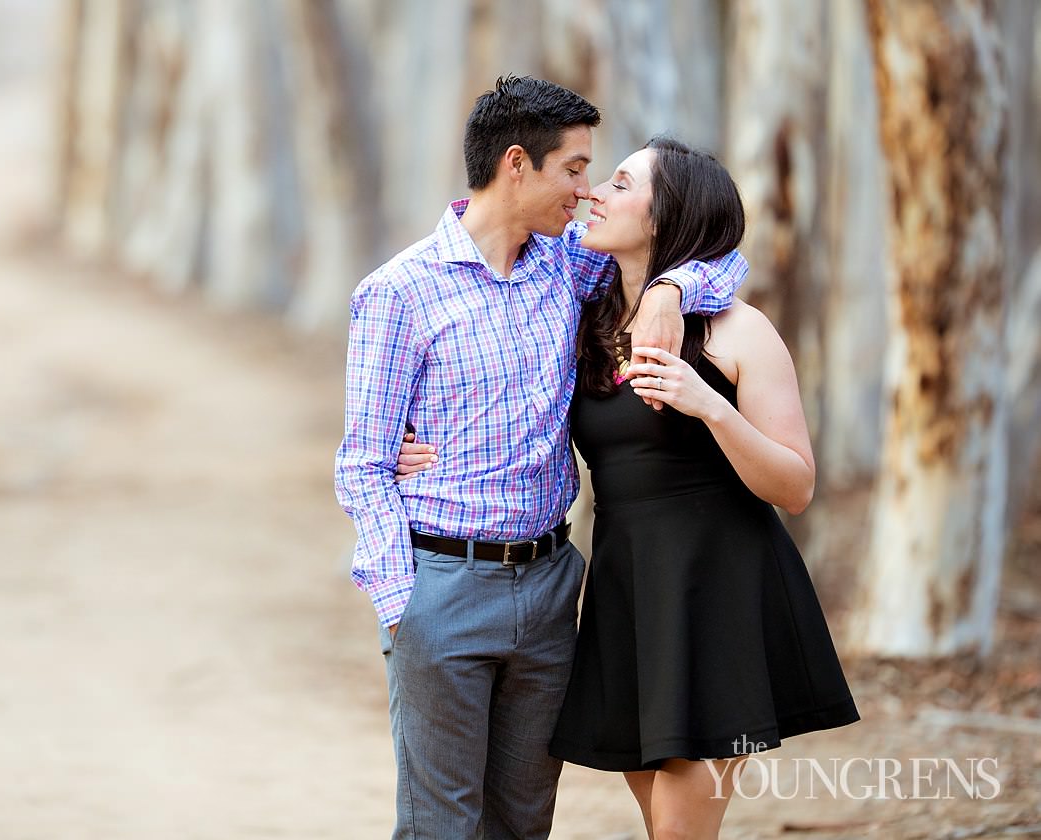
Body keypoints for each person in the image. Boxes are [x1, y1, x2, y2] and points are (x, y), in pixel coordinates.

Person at [334, 77, 748, 840]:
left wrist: (671, 291)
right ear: (517, 165)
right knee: (440, 827)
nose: (586, 192)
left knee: (524, 824)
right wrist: (405, 607)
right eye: (575, 169)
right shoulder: (398, 293)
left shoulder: (568, 267)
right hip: (443, 588)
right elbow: (362, 465)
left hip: (552, 589)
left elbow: (720, 258)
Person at [556, 136, 858, 839]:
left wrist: (709, 405)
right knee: (663, 821)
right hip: (628, 587)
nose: (598, 191)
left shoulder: (738, 331)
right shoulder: (590, 321)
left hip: (718, 590)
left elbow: (796, 485)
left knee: (680, 828)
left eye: (623, 183)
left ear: (665, 218)